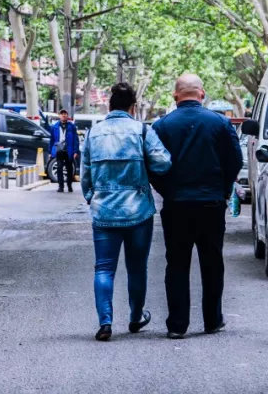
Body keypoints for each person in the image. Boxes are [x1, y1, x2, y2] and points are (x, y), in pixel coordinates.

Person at [151, 73, 243, 338]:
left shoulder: (162, 126)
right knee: (212, 262)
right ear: (202, 94)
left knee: (177, 264)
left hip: (177, 205)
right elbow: (235, 162)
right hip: (211, 204)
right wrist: (222, 190)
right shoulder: (220, 123)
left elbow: (153, 166)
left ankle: (178, 325)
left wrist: (167, 191)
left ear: (175, 96)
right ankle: (212, 320)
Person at [81, 83, 171, 341]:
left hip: (104, 212)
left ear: (109, 105)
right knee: (137, 268)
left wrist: (92, 197)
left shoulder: (93, 133)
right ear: (133, 107)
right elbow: (163, 162)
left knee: (103, 269)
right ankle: (135, 318)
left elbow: (85, 173)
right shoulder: (142, 131)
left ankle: (105, 323)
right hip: (138, 212)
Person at [49, 109, 80, 193]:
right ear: (59, 116)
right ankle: (61, 186)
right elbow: (51, 140)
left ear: (67, 116)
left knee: (69, 168)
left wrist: (75, 151)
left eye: (65, 114)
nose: (63, 115)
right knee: (59, 168)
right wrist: (50, 152)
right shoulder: (54, 127)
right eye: (62, 114)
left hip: (68, 150)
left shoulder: (71, 126)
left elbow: (76, 139)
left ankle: (69, 185)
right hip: (59, 149)